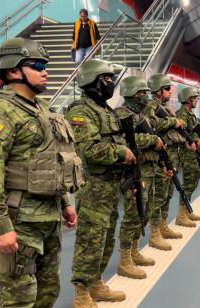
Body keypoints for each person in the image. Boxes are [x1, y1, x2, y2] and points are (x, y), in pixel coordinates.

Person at [0, 38, 81, 308]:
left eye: (46, 65)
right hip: (20, 221)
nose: (45, 71)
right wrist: (1, 227)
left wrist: (66, 203)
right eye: (38, 65)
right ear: (13, 71)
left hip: (49, 217)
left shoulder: (43, 110)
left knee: (48, 291)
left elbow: (54, 160)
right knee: (19, 299)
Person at [66, 59, 135, 307]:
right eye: (107, 79)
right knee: (90, 240)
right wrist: (121, 153)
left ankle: (96, 283)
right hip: (93, 186)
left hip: (112, 186)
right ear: (93, 82)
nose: (111, 83)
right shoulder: (80, 112)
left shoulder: (107, 110)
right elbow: (87, 150)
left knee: (106, 239)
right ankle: (82, 293)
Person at [115, 76, 165, 279]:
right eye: (142, 93)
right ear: (132, 94)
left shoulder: (142, 115)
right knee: (132, 214)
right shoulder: (121, 114)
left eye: (146, 93)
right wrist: (152, 139)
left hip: (149, 167)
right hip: (133, 171)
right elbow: (125, 139)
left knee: (144, 212)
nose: (146, 96)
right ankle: (125, 259)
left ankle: (134, 250)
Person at [147, 74, 200, 233]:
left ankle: (163, 226)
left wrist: (184, 138)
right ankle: (155, 232)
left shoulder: (165, 108)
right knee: (159, 195)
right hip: (160, 158)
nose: (171, 92)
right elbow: (153, 125)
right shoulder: (152, 106)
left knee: (168, 193)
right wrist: (173, 121)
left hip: (171, 156)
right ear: (157, 91)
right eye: (167, 89)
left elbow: (173, 130)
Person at [176, 87, 200, 227]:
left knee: (194, 179)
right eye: (195, 98)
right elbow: (180, 133)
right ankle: (181, 215)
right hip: (187, 153)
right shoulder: (182, 114)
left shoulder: (190, 114)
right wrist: (194, 140)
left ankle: (187, 210)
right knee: (188, 182)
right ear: (188, 99)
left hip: (193, 153)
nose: (196, 101)